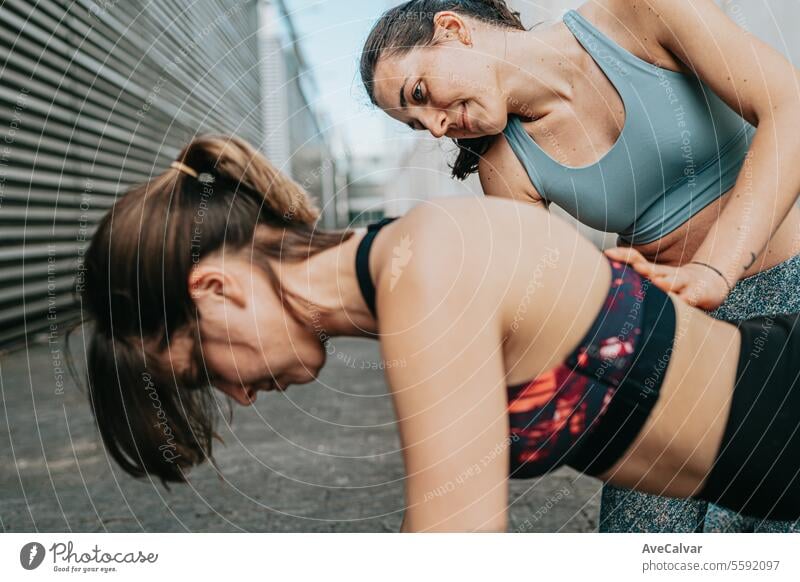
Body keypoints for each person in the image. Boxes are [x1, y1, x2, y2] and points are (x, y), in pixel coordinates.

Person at [79, 134, 800, 532]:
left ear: (215, 289)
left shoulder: (423, 272)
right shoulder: (406, 275)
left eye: (203, 368)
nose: (236, 396)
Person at [359, 0, 800, 532]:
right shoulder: (505, 163)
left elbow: (789, 106)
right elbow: (535, 305)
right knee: (647, 539)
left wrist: (713, 270)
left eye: (421, 95)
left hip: (786, 288)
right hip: (675, 329)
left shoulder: (640, 14)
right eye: (415, 122)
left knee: (775, 516)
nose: (433, 127)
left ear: (452, 29)